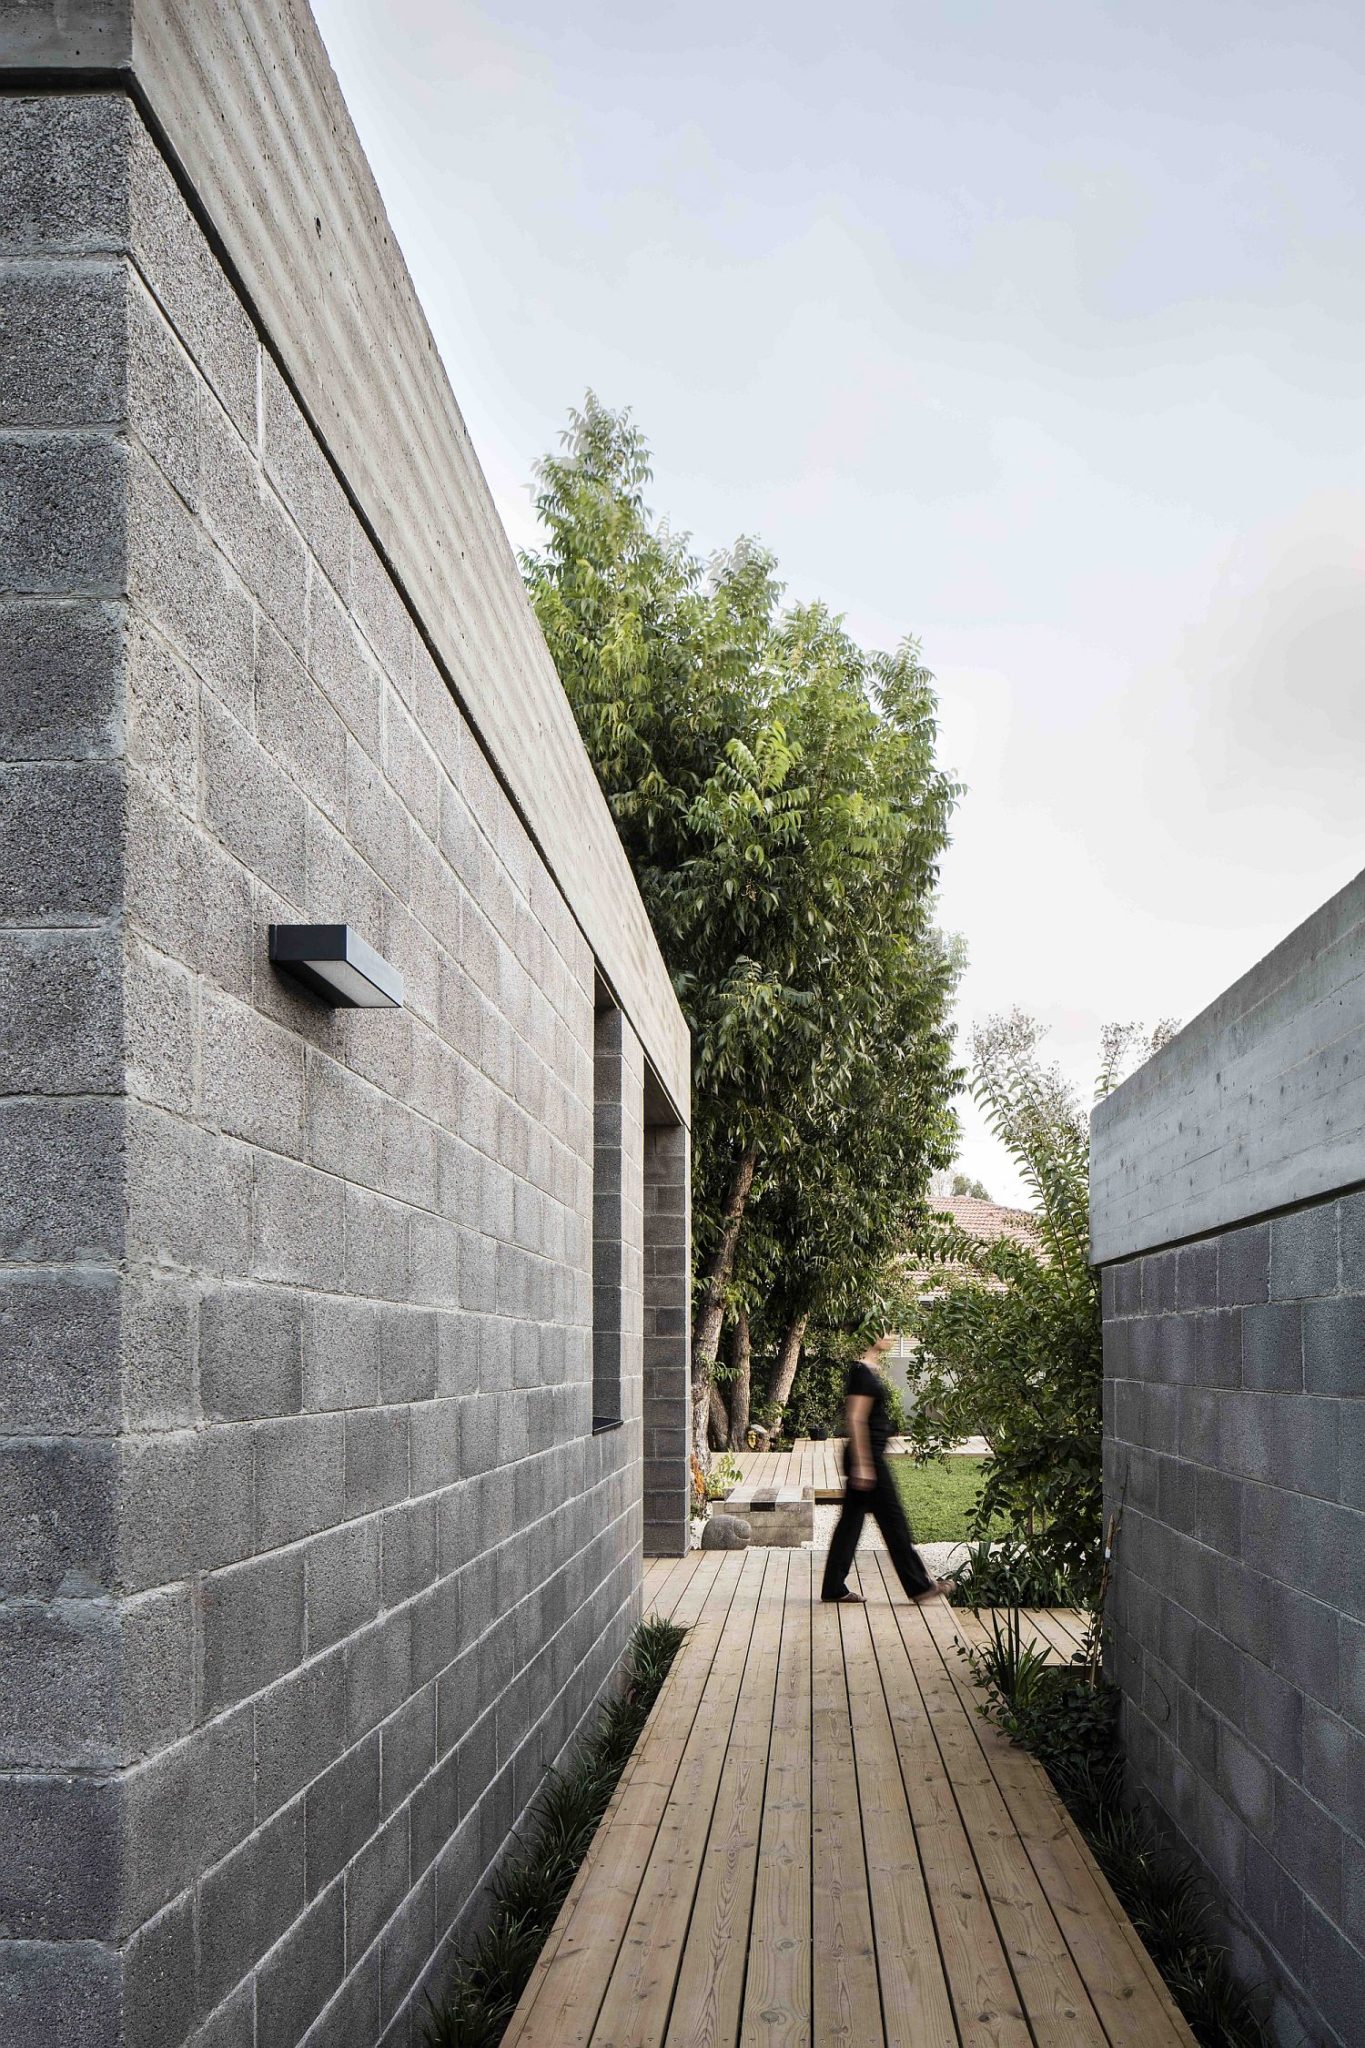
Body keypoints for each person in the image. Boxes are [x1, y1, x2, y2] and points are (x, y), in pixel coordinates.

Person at [821, 1332, 952, 1605]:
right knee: (894, 1522)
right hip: (868, 1461)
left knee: (850, 1525)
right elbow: (855, 1419)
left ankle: (833, 1587)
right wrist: (864, 1465)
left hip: (867, 1458)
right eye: (886, 1331)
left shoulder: (868, 1369)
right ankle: (918, 1586)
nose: (892, 1335)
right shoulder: (861, 1372)